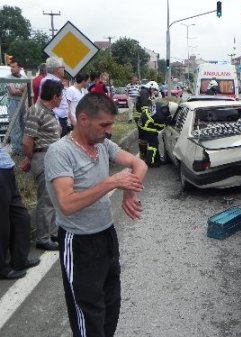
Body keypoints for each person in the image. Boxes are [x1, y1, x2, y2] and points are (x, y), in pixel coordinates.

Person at [44, 92, 147, 337]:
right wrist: (112, 183)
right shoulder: (60, 152)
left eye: (111, 124)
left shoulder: (102, 145)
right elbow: (66, 204)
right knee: (88, 315)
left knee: (111, 304)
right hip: (79, 243)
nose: (109, 130)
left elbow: (139, 165)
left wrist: (129, 192)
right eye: (104, 125)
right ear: (83, 119)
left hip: (106, 236)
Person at [21, 79, 64, 251]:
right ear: (54, 97)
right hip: (43, 157)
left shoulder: (48, 111)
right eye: (60, 96)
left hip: (52, 157)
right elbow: (27, 141)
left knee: (53, 198)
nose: (61, 100)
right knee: (46, 199)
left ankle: (52, 232)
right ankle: (43, 238)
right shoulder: (36, 111)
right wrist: (30, 159)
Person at [0, 146, 40, 280]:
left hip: (6, 169)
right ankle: (2, 268)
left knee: (21, 218)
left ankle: (19, 260)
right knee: (2, 224)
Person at [135, 85, 170, 167]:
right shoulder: (161, 116)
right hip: (147, 127)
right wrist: (166, 123)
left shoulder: (159, 104)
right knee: (153, 144)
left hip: (141, 123)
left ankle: (143, 156)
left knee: (143, 140)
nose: (154, 91)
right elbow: (159, 127)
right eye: (154, 90)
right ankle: (151, 162)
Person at [40, 56, 71, 137]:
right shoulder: (49, 81)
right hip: (56, 119)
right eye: (63, 67)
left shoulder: (56, 80)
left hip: (62, 119)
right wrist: (56, 121)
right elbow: (47, 103)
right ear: (57, 69)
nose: (64, 69)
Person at [6, 59, 28, 155]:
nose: (12, 69)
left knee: (23, 124)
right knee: (15, 126)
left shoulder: (24, 77)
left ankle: (23, 148)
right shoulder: (8, 77)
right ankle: (16, 149)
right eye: (11, 67)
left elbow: (27, 91)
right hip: (13, 103)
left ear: (19, 68)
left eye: (14, 67)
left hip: (23, 102)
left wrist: (19, 90)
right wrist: (21, 89)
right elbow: (13, 92)